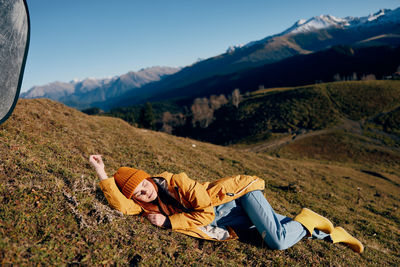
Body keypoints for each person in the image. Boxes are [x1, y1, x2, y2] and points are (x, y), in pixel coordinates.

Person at [89, 155, 364, 253]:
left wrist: (171, 222)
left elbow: (206, 212)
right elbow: (121, 207)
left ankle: (307, 219)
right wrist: (103, 174)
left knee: (278, 241)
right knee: (279, 228)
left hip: (238, 198)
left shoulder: (178, 182)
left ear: (148, 177)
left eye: (143, 184)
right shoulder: (146, 207)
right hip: (231, 220)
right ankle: (332, 234)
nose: (144, 192)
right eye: (137, 193)